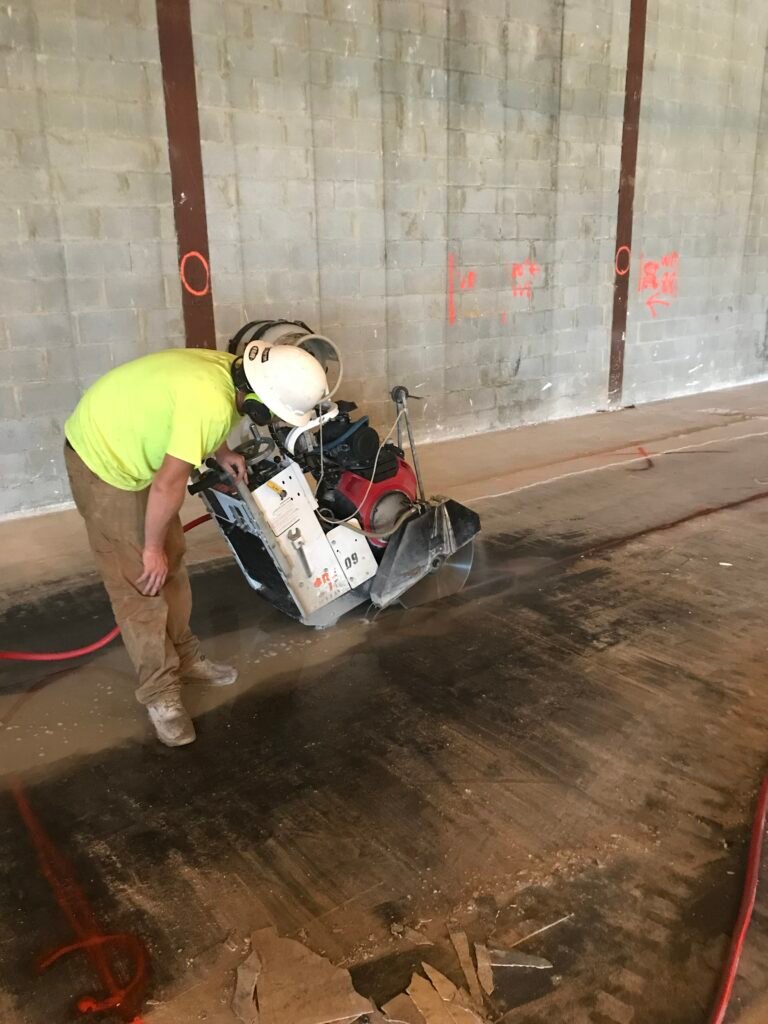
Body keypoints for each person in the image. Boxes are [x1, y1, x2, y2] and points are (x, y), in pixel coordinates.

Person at [64, 342, 328, 747]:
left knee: (172, 560)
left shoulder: (230, 373)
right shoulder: (211, 400)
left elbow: (195, 420)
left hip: (131, 443)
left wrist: (220, 450)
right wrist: (150, 548)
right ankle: (160, 693)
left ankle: (183, 655)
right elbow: (170, 482)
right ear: (259, 402)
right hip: (102, 459)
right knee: (141, 581)